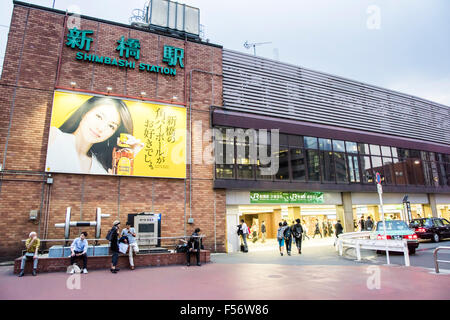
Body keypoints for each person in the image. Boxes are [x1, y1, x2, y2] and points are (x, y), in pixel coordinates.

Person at [46, 96, 144, 175]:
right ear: (84, 113)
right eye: (99, 116)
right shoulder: (53, 137)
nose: (101, 128)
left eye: (111, 126)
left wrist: (127, 156)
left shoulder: (102, 169)